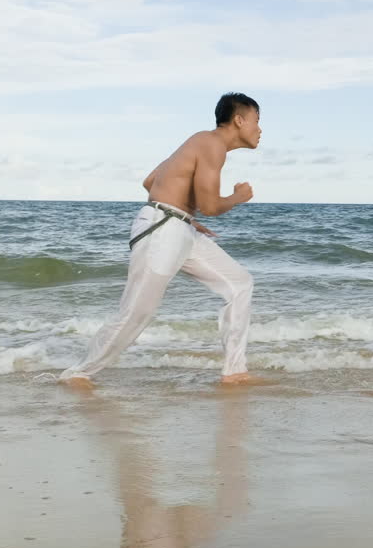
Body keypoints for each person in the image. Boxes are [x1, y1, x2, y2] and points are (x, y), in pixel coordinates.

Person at [60, 93, 263, 389]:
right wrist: (237, 198)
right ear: (239, 120)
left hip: (178, 226)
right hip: (163, 229)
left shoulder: (200, 142)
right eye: (257, 121)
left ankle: (234, 371)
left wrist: (185, 215)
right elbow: (210, 206)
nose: (260, 129)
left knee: (240, 283)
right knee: (136, 313)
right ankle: (78, 373)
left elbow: (150, 181)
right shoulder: (212, 144)